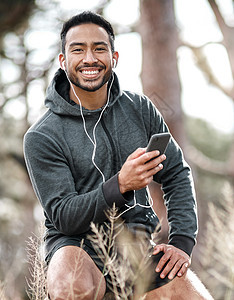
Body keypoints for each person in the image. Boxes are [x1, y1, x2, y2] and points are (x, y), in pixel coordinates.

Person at [24, 11, 213, 300]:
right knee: (72, 287)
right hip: (76, 245)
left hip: (137, 243)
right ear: (63, 61)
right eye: (78, 49)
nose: (90, 58)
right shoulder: (42, 136)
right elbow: (64, 216)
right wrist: (121, 185)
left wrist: (182, 242)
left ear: (114, 57)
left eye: (99, 48)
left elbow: (176, 173)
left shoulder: (140, 109)